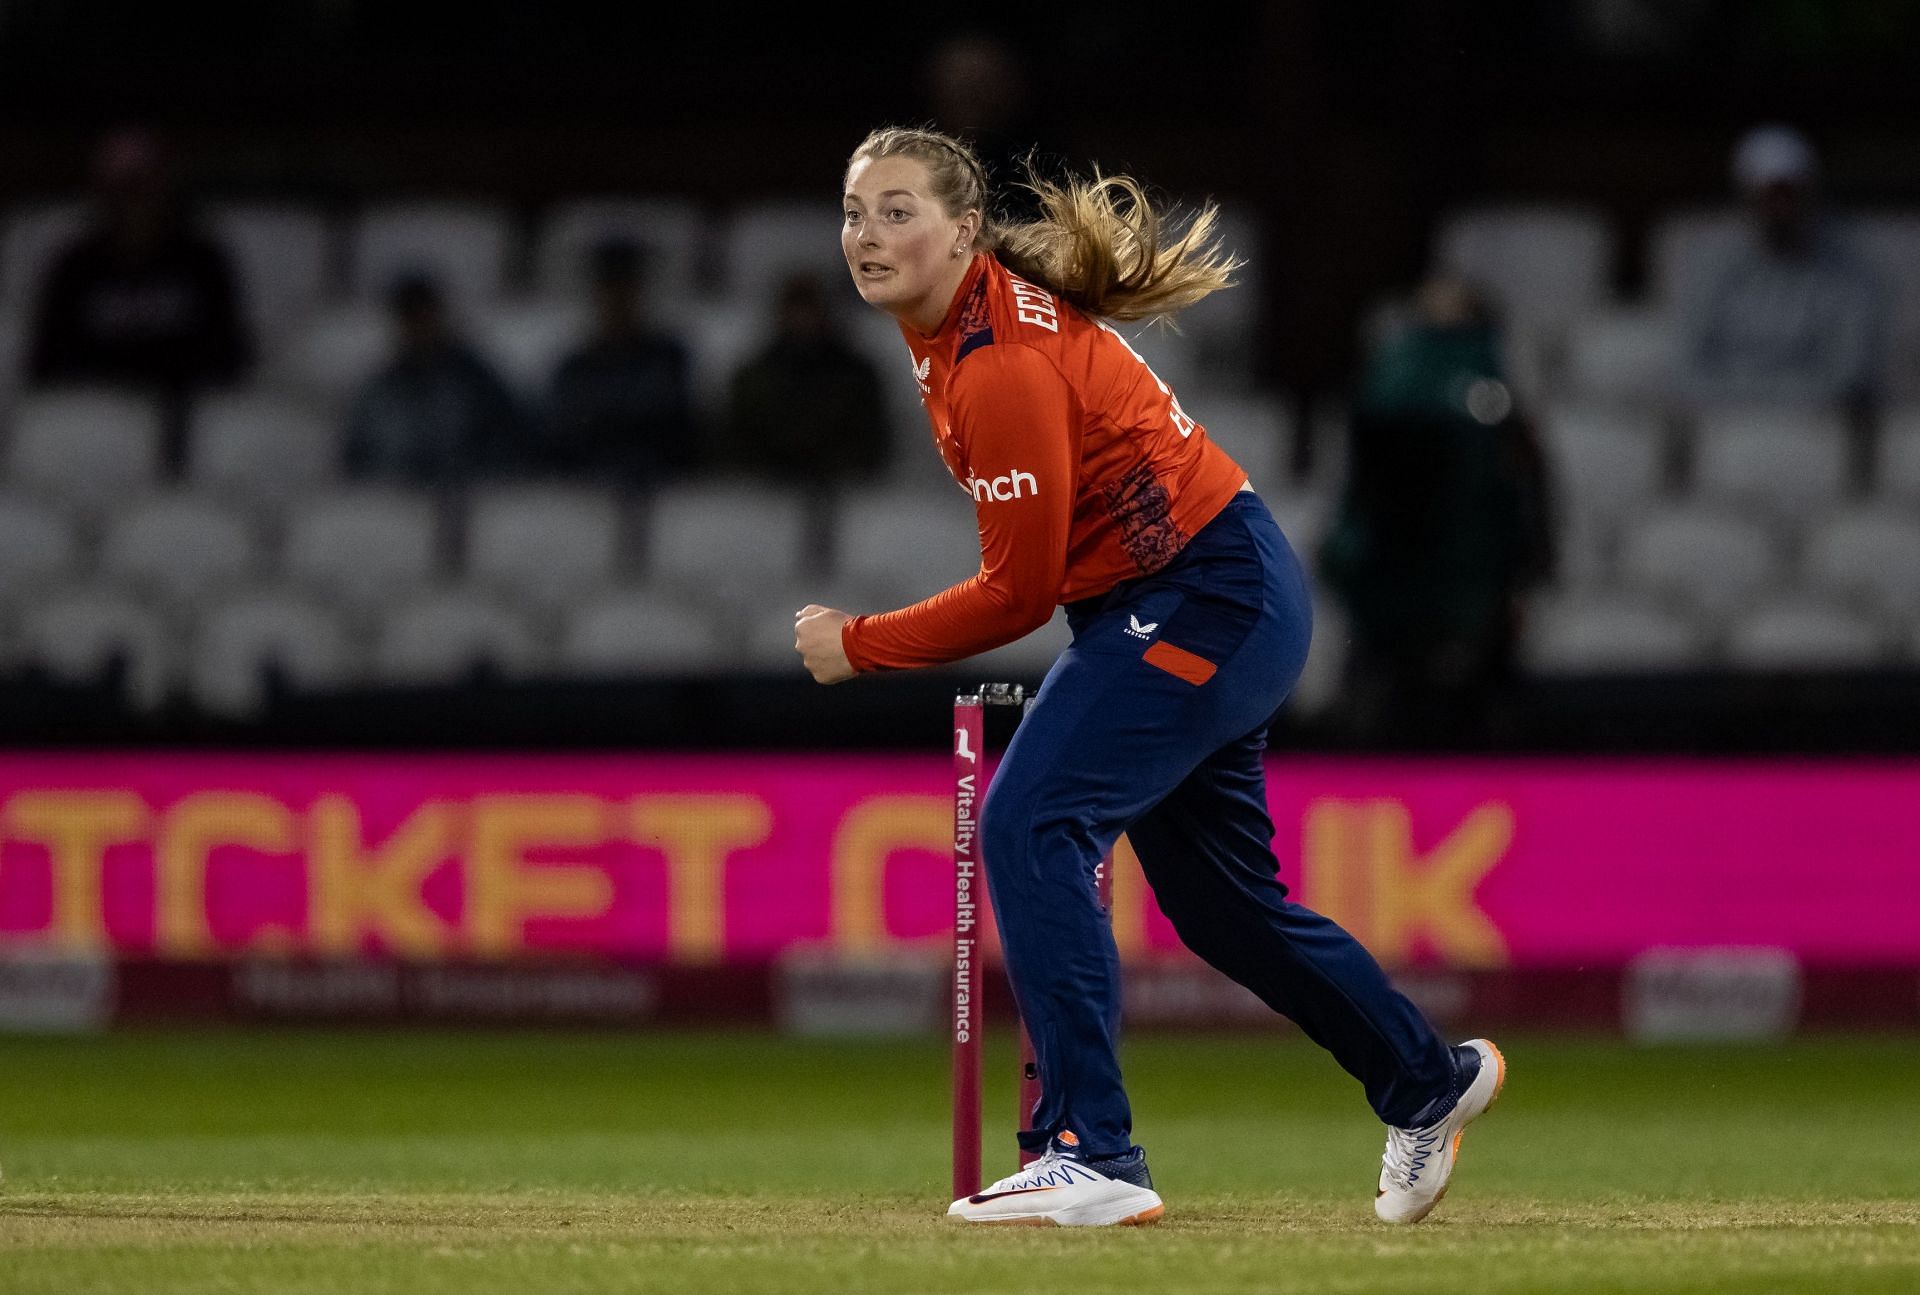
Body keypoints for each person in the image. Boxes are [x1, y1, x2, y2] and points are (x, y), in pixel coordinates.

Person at [794, 127, 1505, 1228]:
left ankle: (1091, 1147)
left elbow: (1018, 593)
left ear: (964, 232)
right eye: (854, 211)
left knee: (1032, 821)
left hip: (1202, 597)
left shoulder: (999, 362)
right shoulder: (957, 330)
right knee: (1225, 907)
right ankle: (1426, 1079)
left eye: (898, 211)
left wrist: (863, 642)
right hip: (1202, 593)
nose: (868, 235)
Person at [1320, 273, 1556, 750]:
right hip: (1390, 611)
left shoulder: (1497, 399)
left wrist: (1521, 577)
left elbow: (1528, 505)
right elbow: (1355, 503)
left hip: (1470, 612)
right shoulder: (1383, 392)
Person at [24, 125, 253, 473]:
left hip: (182, 421)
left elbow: (229, 357)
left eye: (141, 187)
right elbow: (47, 363)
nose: (132, 203)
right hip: (97, 426)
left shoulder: (202, 261)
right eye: (120, 190)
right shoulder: (74, 267)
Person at [1676, 123, 1889, 415]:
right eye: (1769, 194)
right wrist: (1747, 401)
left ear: (1810, 192)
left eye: (1789, 194)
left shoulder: (1851, 271)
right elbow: (1687, 367)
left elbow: (1850, 374)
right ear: (1747, 194)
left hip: (1816, 423)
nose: (1779, 207)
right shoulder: (1711, 266)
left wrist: (1779, 402)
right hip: (1725, 421)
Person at [535, 236, 698, 487]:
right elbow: (560, 441)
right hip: (587, 491)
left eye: (627, 292)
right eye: (610, 293)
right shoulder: (574, 368)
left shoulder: (669, 359)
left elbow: (680, 435)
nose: (618, 304)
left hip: (658, 485)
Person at [342, 269, 522, 487]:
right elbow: (358, 457)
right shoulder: (380, 388)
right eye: (410, 317)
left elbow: (508, 444)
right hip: (395, 498)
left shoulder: (477, 380)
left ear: (438, 315)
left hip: (469, 492)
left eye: (424, 316)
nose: (419, 327)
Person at [722, 270, 890, 487]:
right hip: (766, 489)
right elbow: (739, 438)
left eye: (808, 310)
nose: (802, 320)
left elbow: (870, 437)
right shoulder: (755, 375)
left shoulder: (855, 374)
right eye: (795, 310)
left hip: (842, 483)